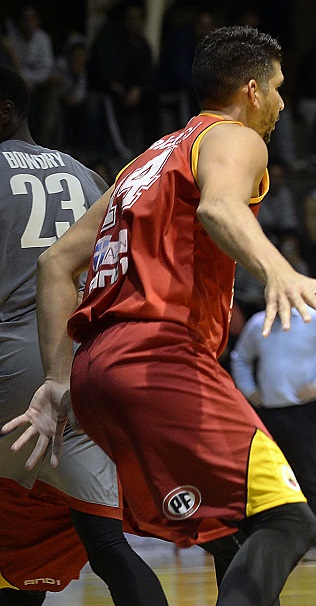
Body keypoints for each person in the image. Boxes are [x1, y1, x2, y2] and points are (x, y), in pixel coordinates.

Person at [9, 27, 316, 606]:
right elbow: (220, 207)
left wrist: (58, 378)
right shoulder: (234, 136)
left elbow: (55, 265)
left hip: (97, 374)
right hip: (159, 359)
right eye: (279, 88)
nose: (283, 103)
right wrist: (278, 270)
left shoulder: (146, 161)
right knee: (291, 523)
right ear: (252, 89)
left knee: (230, 536)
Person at [0, 64, 167, 606]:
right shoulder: (85, 174)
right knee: (99, 540)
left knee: (17, 526)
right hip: (84, 369)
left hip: (12, 365)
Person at [230, 302, 316, 562]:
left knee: (307, 475)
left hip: (301, 411)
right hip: (265, 411)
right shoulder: (258, 322)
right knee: (261, 474)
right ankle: (261, 540)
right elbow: (240, 358)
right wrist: (248, 389)